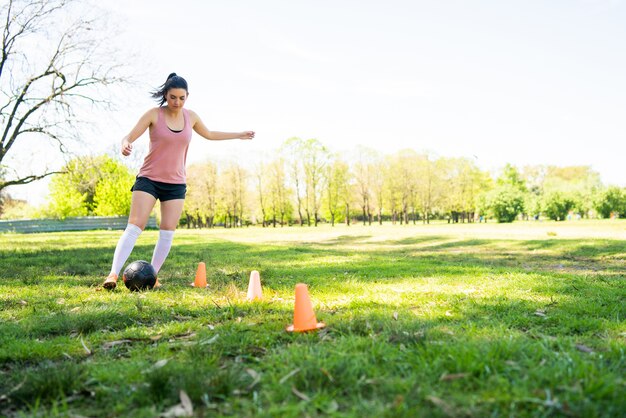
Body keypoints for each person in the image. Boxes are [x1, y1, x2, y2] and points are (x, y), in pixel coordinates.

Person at [103, 73, 254, 290]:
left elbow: (209, 134)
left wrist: (238, 134)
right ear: (166, 95)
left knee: (167, 231)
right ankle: (113, 275)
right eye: (173, 97)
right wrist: (125, 145)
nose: (177, 102)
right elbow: (128, 137)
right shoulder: (154, 114)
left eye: (182, 98)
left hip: (175, 183)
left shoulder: (190, 117)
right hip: (149, 178)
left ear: (187, 96)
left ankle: (152, 277)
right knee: (136, 226)